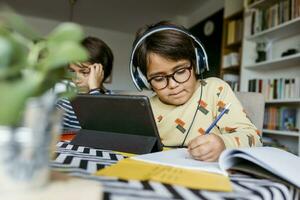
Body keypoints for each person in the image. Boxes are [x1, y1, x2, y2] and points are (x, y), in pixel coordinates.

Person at [131, 21, 262, 162]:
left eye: (180, 71)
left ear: (197, 63)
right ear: (144, 80)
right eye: (159, 78)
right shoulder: (145, 108)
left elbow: (253, 138)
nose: (173, 85)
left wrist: (224, 144)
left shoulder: (215, 90)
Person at [56, 36, 114, 130]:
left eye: (84, 72)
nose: (76, 79)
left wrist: (94, 89)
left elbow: (101, 130)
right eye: (72, 71)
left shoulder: (115, 102)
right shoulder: (66, 101)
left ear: (100, 71)